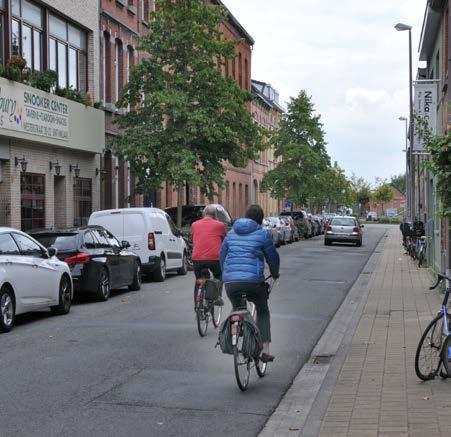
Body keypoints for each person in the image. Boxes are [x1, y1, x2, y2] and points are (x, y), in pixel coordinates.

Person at [220, 204, 280, 363]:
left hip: (231, 282)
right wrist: (274, 273)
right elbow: (272, 257)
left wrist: (225, 274)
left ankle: (238, 332)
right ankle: (265, 350)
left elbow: (222, 255)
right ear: (260, 220)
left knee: (238, 308)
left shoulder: (231, 233)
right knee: (262, 310)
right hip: (254, 282)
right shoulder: (262, 234)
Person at [191, 204, 227, 307]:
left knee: (199, 279)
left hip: (197, 258)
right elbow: (225, 241)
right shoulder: (220, 225)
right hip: (214, 259)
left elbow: (193, 238)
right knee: (218, 275)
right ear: (215, 215)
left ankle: (198, 305)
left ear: (203, 214)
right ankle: (217, 297)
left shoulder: (194, 224)